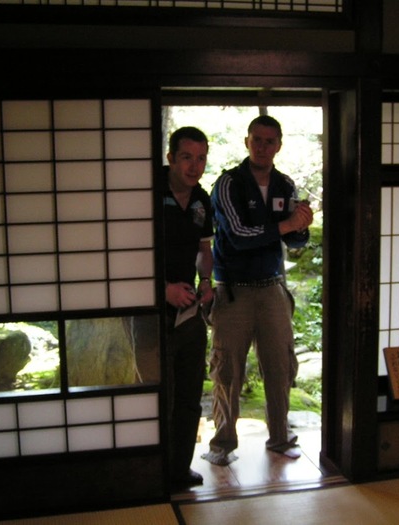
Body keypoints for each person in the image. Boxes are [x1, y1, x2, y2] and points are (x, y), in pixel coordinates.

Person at [202, 115, 313, 466]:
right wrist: (287, 225)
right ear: (247, 142)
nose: (263, 147)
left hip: (272, 289)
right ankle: (222, 444)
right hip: (233, 290)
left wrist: (301, 226)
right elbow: (238, 236)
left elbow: (295, 241)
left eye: (270, 141)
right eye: (257, 140)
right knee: (227, 370)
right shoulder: (228, 183)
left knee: (280, 366)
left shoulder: (285, 184)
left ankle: (280, 438)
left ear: (279, 145)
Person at [162, 126, 215, 489]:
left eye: (200, 158)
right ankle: (155, 467)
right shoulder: (148, 191)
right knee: (159, 396)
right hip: (152, 311)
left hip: (189, 310)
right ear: (171, 158)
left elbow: (204, 250)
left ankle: (180, 468)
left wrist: (206, 282)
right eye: (186, 157)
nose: (194, 166)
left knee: (189, 393)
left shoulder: (201, 200)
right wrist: (163, 290)